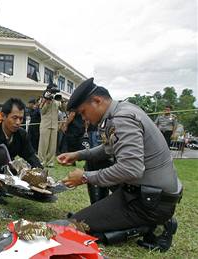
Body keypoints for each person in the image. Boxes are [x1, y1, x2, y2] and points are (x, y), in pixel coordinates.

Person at [57, 78, 182, 252]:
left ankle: (152, 226)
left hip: (150, 202)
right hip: (146, 193)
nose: (84, 118)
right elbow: (108, 149)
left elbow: (131, 168)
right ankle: (105, 212)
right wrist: (78, 154)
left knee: (76, 227)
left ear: (97, 101)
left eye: (83, 112)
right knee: (94, 159)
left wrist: (85, 177)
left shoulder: (122, 118)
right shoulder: (121, 111)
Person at [38, 92, 59, 167]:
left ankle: (50, 162)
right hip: (45, 125)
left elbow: (64, 109)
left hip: (54, 125)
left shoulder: (57, 101)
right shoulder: (43, 100)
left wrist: (62, 101)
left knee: (52, 146)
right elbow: (42, 111)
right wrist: (47, 102)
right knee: (43, 144)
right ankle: (41, 161)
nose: (53, 94)